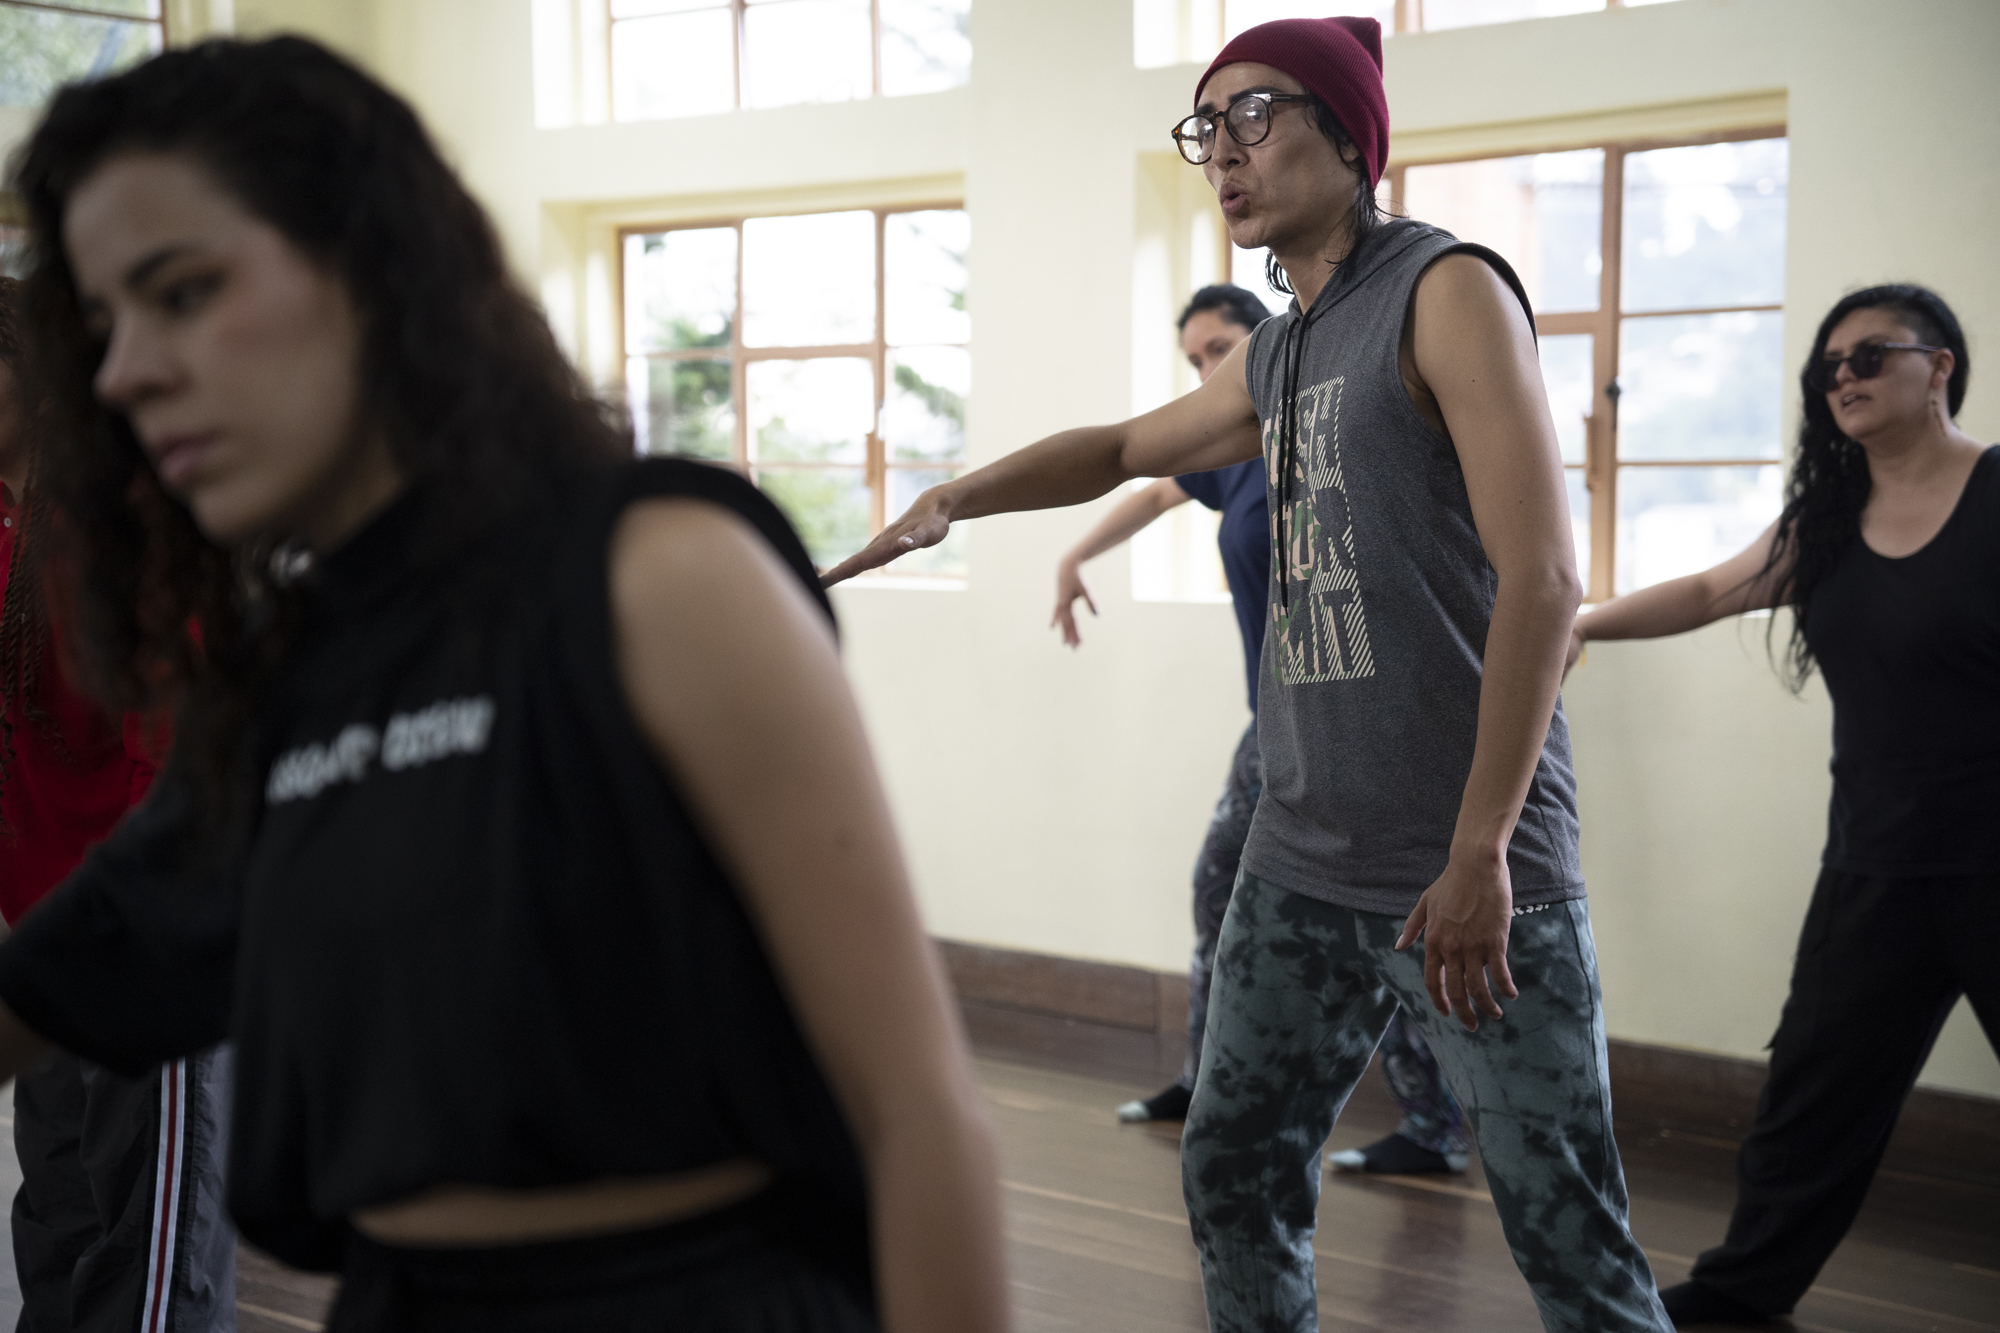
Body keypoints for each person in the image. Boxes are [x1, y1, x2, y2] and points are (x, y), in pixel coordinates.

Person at [0, 37, 1006, 1333]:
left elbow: (917, 1115)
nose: (125, 370)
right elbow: (74, 965)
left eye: (182, 292)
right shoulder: (297, 668)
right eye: (102, 325)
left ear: (370, 265)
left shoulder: (658, 568)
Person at [827, 16, 1669, 1332]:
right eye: (1204, 126)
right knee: (1232, 1168)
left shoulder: (1444, 290)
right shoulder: (1276, 348)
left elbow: (1547, 581)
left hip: (1463, 871)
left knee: (1569, 1239)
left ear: (1350, 136)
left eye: (1254, 115)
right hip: (1299, 856)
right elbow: (1123, 445)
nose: (1220, 150)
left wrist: (1481, 851)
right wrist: (954, 497)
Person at [1566, 284, 1997, 1327]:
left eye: (1868, 356)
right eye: (1827, 367)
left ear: (1938, 366)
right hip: (1875, 863)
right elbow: (1709, 591)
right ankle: (1739, 1298)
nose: (1842, 377)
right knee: (1812, 1094)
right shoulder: (1828, 523)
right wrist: (1572, 623)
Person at [1062, 285, 1471, 1177]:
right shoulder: (1234, 449)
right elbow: (1155, 486)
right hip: (1274, 725)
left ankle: (1433, 1124)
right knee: (1219, 890)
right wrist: (1077, 552)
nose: (1207, 370)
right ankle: (1204, 1080)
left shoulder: (1333, 430)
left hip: (1372, 732)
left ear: (1267, 343)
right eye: (1194, 359)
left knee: (1387, 922)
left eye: (1220, 350)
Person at [0, 275, 236, 1333]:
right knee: (59, 1230)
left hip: (146, 948)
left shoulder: (123, 530)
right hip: (46, 946)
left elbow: (178, 755)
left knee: (146, 1272)